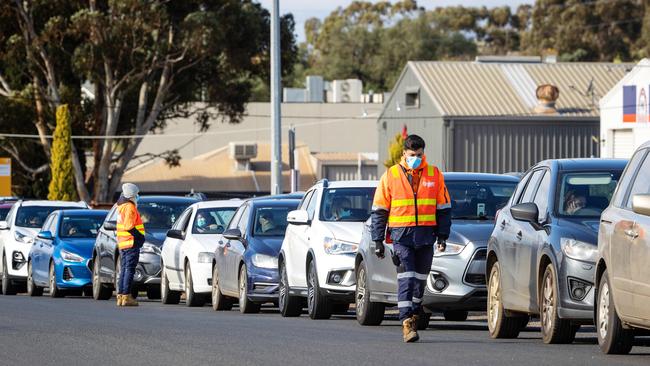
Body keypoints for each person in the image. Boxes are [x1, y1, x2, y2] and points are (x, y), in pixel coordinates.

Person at [371, 134, 452, 343]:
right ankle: (406, 322)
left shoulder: (434, 175)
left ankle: (414, 312)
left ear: (423, 153)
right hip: (401, 237)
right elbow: (380, 210)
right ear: (404, 154)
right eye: (412, 154)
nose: (416, 157)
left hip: (426, 237)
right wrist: (378, 240)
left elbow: (443, 208)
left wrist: (443, 236)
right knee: (406, 278)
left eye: (419, 154)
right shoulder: (390, 176)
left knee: (420, 282)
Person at [115, 183, 146, 307]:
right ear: (132, 195)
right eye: (136, 195)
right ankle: (126, 296)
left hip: (123, 243)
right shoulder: (129, 207)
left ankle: (121, 296)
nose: (137, 197)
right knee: (129, 269)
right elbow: (129, 226)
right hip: (131, 242)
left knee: (124, 269)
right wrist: (139, 237)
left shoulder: (121, 207)